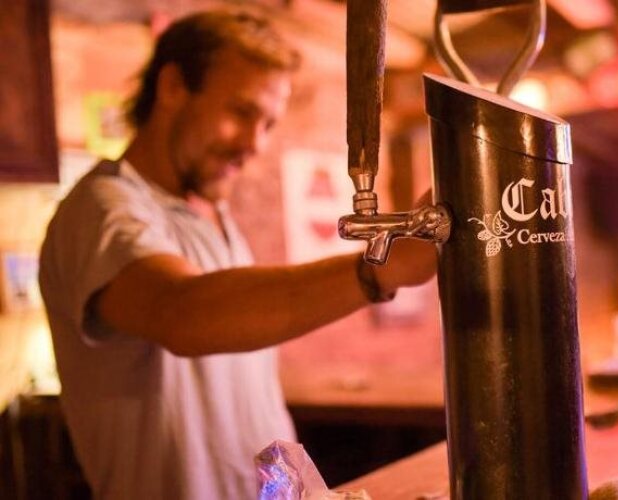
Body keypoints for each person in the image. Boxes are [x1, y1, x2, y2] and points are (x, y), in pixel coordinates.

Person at [38, 10, 436, 500]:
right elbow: (181, 313)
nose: (255, 143)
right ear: (172, 87)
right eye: (241, 112)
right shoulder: (104, 208)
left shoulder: (215, 217)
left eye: (267, 123)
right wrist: (381, 269)